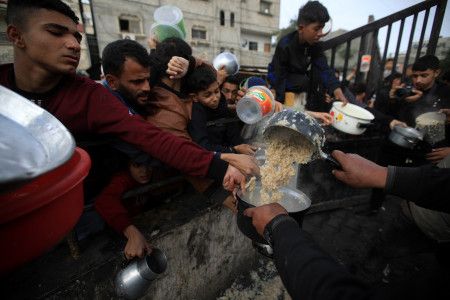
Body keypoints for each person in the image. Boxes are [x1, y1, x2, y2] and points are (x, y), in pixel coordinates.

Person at [1, 0, 254, 199]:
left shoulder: (91, 97)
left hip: (79, 205)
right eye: (56, 33)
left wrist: (219, 162)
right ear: (16, 35)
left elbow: (153, 140)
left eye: (77, 37)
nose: (74, 45)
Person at [267, 1, 348, 106]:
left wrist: (337, 90)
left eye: (322, 28)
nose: (320, 33)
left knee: (313, 81)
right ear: (301, 28)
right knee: (302, 82)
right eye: (316, 28)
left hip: (298, 81)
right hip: (278, 77)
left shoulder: (314, 47)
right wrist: (280, 102)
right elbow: (279, 74)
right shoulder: (285, 44)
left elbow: (324, 69)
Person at [94, 158, 156, 259]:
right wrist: (132, 233)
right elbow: (104, 200)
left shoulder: (156, 174)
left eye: (148, 162)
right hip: (118, 227)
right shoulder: (123, 178)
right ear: (127, 165)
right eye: (137, 165)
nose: (145, 170)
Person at [187, 66, 256, 155]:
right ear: (194, 97)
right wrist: (234, 150)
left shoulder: (221, 103)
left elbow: (231, 131)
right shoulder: (196, 114)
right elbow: (203, 147)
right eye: (208, 95)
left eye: (216, 91)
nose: (215, 98)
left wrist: (245, 146)